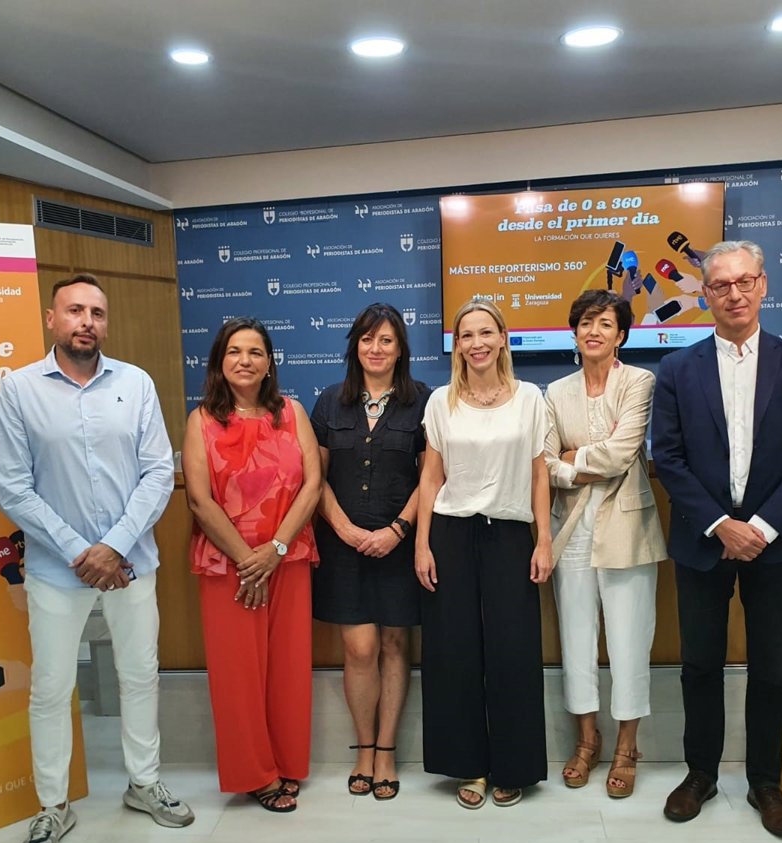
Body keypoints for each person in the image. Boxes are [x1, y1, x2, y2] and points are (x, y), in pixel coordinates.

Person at [0, 273, 193, 843]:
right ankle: (52, 805)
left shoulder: (136, 383)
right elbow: (13, 487)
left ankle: (144, 782)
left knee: (139, 675)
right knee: (52, 688)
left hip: (131, 564)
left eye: (97, 313)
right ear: (51, 319)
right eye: (75, 310)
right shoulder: (19, 390)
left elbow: (157, 473)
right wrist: (83, 551)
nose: (87, 322)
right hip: (58, 570)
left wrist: (114, 546)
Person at [651, 240, 782, 839]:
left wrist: (762, 527)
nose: (734, 294)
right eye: (721, 285)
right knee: (699, 663)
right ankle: (700, 774)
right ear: (705, 294)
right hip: (703, 542)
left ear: (763, 285)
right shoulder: (677, 369)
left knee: (772, 667)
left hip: (775, 543)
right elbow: (668, 458)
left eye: (744, 281)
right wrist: (720, 525)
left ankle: (765, 783)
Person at [414, 299, 552, 810]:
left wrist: (543, 538)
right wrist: (422, 544)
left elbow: (539, 474)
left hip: (511, 535)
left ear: (502, 338)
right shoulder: (440, 402)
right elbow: (431, 476)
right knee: (454, 653)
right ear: (457, 345)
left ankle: (513, 767)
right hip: (451, 534)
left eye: (486, 332)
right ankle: (467, 765)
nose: (477, 343)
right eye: (467, 335)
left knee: (513, 652)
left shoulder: (529, 398)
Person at [182, 317, 320, 813]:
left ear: (269, 363)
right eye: (235, 351)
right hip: (230, 566)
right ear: (219, 362)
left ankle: (286, 761)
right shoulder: (201, 421)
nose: (245, 360)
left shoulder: (292, 412)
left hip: (287, 558)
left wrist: (275, 550)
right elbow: (199, 500)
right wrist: (249, 561)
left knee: (288, 668)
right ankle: (255, 774)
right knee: (237, 675)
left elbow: (313, 484)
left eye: (255, 352)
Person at [544, 290, 667, 798]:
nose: (594, 331)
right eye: (586, 322)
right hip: (570, 526)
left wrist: (572, 458)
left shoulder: (639, 381)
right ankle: (587, 741)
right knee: (576, 637)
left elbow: (621, 454)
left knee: (629, 639)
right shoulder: (555, 392)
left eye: (605, 323)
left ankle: (626, 748)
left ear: (621, 335)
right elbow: (545, 463)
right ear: (574, 332)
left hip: (627, 525)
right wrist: (570, 463)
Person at [311, 304, 429, 800]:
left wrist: (398, 530)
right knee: (359, 649)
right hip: (343, 547)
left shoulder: (423, 401)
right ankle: (362, 747)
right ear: (354, 346)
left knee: (395, 645)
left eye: (386, 340)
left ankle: (386, 751)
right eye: (366, 339)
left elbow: (431, 477)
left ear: (400, 349)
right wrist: (344, 528)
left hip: (399, 545)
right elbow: (314, 478)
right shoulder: (329, 402)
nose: (375, 349)